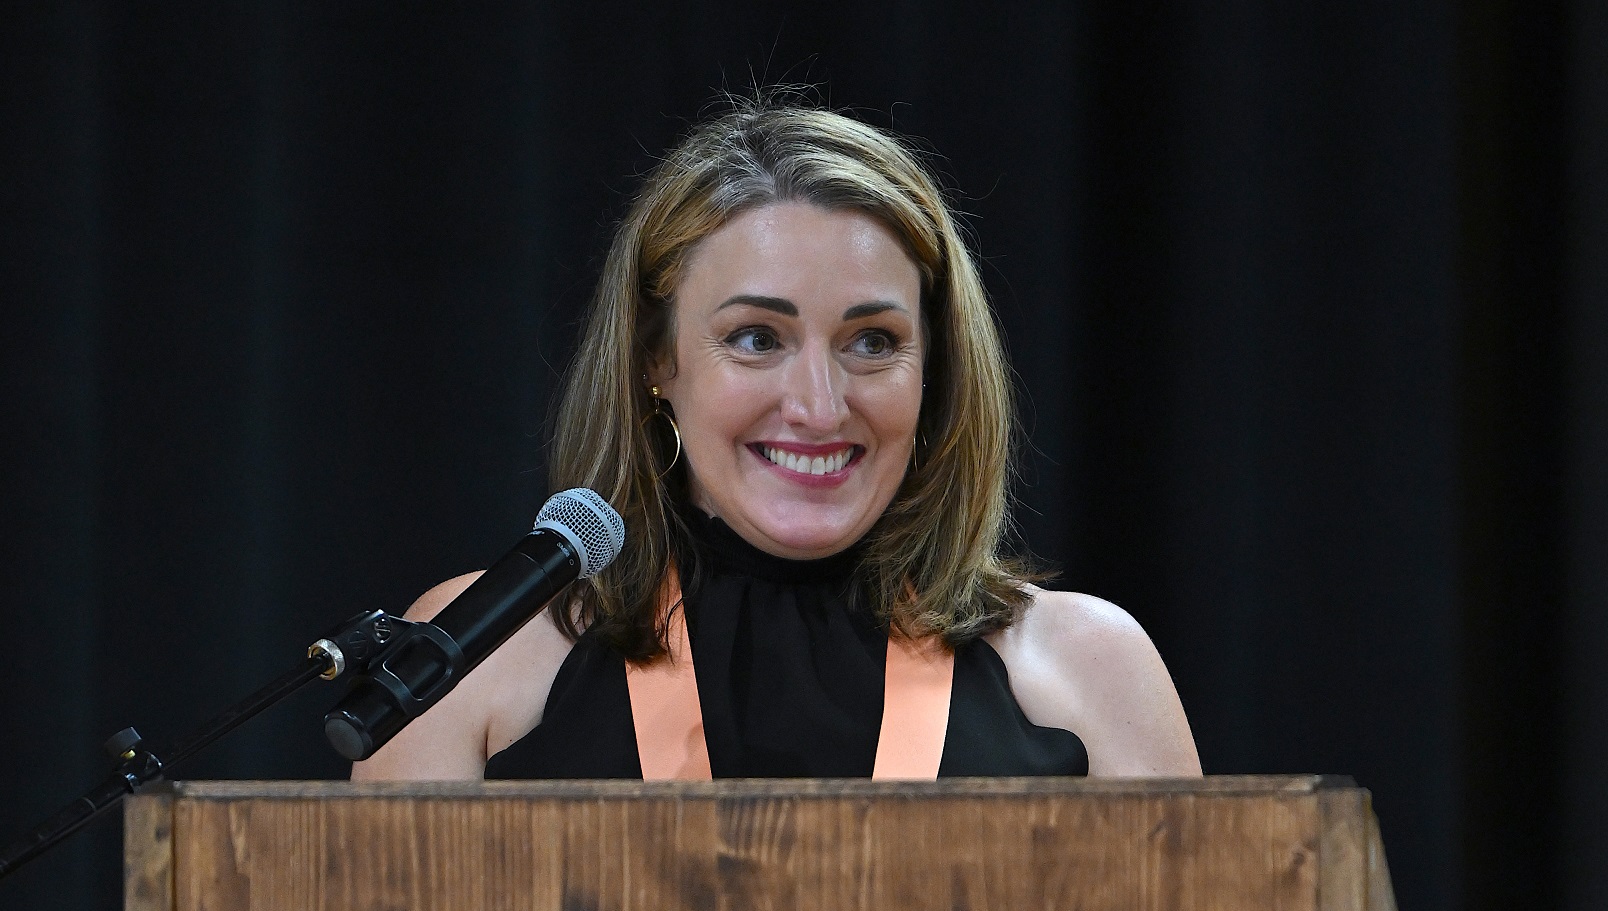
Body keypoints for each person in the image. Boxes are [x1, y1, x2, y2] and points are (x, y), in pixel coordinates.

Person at [352, 98, 1200, 785]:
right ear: (657, 360)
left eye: (872, 342)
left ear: (934, 368)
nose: (818, 406)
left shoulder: (1089, 671)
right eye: (757, 338)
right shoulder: (473, 653)